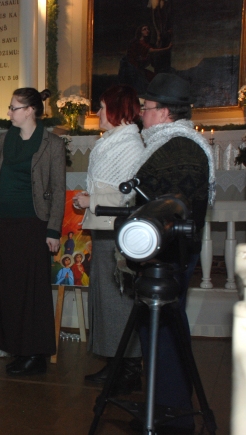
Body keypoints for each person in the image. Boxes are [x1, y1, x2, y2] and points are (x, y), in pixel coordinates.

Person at [129, 73, 214, 434]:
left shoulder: (178, 149)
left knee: (164, 335)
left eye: (146, 108)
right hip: (166, 256)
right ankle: (161, 408)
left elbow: (171, 211)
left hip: (167, 259)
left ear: (164, 112)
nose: (141, 114)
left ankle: (172, 417)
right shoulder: (175, 143)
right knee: (161, 332)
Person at [0, 88, 65, 377]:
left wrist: (53, 229)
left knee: (34, 290)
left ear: (30, 110)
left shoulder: (52, 143)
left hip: (34, 224)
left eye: (14, 108)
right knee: (10, 289)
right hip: (5, 224)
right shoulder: (4, 139)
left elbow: (58, 189)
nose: (9, 113)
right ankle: (18, 350)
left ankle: (35, 354)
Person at [72, 84, 145, 393]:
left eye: (102, 107)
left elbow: (129, 195)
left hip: (117, 230)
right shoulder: (113, 141)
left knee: (119, 299)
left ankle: (128, 368)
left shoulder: (130, 145)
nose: (98, 113)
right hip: (105, 228)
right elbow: (110, 187)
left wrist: (93, 200)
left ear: (117, 110)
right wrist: (90, 198)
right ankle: (116, 363)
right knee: (107, 297)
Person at [119, 25, 172, 95]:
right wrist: (167, 48)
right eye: (144, 29)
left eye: (148, 29)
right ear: (140, 32)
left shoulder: (145, 43)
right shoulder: (138, 42)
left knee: (154, 78)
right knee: (143, 86)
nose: (147, 31)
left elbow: (153, 48)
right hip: (133, 70)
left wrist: (159, 39)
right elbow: (151, 50)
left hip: (139, 69)